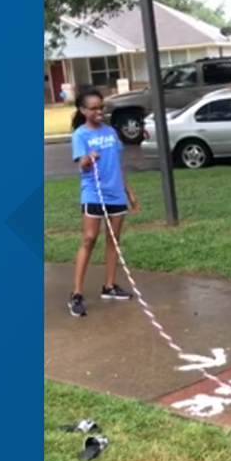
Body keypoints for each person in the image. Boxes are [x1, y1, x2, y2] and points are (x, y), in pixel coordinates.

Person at [67, 88, 140, 317]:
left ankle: (109, 286)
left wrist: (129, 192)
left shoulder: (110, 132)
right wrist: (89, 158)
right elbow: (82, 164)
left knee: (113, 240)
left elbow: (118, 164)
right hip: (93, 193)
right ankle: (76, 293)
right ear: (83, 110)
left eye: (101, 107)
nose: (99, 111)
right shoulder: (80, 134)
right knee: (89, 239)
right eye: (94, 108)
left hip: (115, 193)